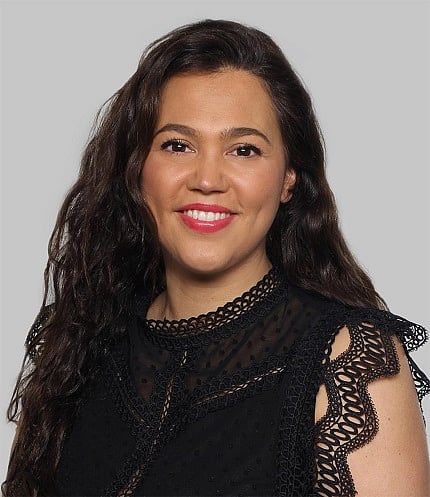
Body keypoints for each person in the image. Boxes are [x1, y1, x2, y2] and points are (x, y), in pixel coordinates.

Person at [3, 18, 429, 497]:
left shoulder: (348, 362)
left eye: (244, 150)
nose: (207, 179)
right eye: (177, 145)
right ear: (138, 169)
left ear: (289, 178)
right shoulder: (81, 345)